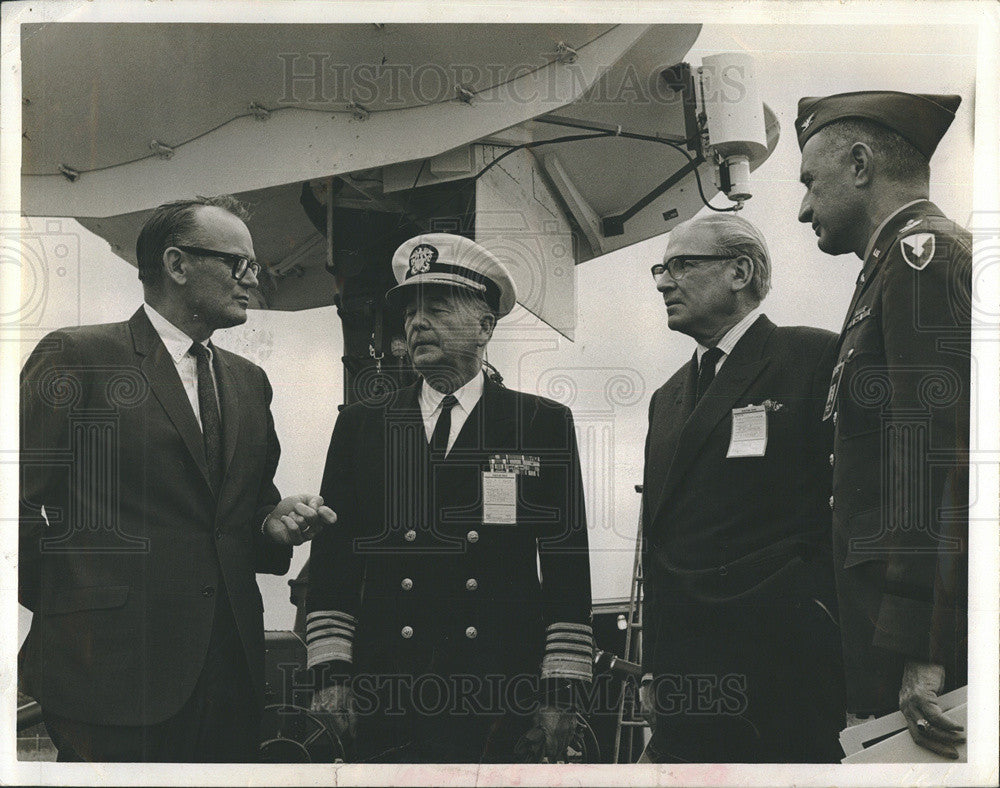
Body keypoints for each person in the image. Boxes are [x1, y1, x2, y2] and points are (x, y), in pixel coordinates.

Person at [18, 195, 336, 762]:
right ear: (177, 263)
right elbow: (14, 503)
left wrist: (274, 525)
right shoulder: (78, 356)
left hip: (229, 678)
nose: (251, 279)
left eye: (254, 266)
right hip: (107, 677)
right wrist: (70, 604)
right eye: (237, 263)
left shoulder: (249, 382)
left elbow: (244, 511)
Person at [306, 233, 593, 763]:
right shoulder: (362, 425)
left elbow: (566, 563)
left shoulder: (541, 424)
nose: (415, 323)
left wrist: (560, 691)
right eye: (410, 312)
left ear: (486, 326)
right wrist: (331, 674)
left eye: (436, 309)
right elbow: (333, 560)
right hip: (387, 689)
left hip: (499, 691)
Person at [796, 91, 971, 758]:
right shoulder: (887, 272)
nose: (804, 207)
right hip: (887, 640)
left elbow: (937, 461)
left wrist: (924, 648)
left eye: (811, 181)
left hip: (924, 656)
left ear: (861, 164)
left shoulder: (923, 261)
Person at [638, 213, 845, 763]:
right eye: (662, 268)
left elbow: (853, 509)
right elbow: (658, 547)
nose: (663, 281)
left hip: (784, 676)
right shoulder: (666, 398)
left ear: (740, 271)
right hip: (689, 685)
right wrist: (655, 666)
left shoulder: (814, 358)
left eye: (682, 265)